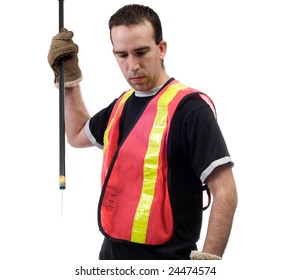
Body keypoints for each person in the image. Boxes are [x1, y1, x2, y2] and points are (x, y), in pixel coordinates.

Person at [48, 4, 238, 260]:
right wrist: (69, 78)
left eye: (141, 52)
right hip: (111, 259)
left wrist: (208, 264)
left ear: (161, 48)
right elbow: (77, 134)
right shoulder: (121, 105)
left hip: (168, 263)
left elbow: (225, 192)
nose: (132, 65)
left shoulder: (190, 110)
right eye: (122, 55)